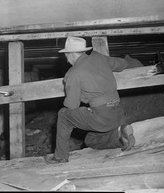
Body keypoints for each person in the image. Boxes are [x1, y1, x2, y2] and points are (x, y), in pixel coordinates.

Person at [44, 36, 140, 164]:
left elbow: (72, 106)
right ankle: (120, 135)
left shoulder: (73, 73)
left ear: (70, 54)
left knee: (63, 115)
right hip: (119, 114)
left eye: (66, 55)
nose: (66, 58)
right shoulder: (99, 58)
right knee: (90, 140)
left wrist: (85, 102)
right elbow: (123, 64)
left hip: (102, 117)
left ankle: (60, 156)